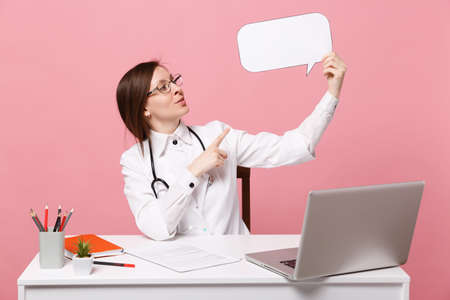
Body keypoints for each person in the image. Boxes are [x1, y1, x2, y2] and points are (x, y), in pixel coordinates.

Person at [116, 52, 347, 241]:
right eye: (164, 87)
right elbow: (158, 229)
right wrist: (193, 171)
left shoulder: (218, 134)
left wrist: (332, 93)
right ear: (144, 107)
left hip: (238, 266)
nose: (177, 89)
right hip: (183, 274)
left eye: (174, 81)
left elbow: (295, 145)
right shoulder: (134, 161)